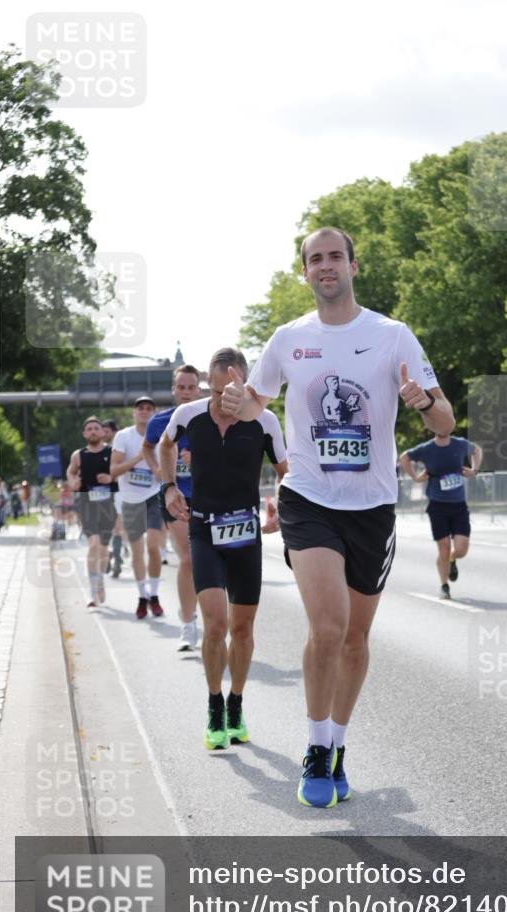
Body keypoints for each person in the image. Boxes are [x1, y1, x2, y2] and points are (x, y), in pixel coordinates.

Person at [220, 227, 455, 807]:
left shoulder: (392, 335)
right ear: (305, 272)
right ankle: (316, 746)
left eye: (335, 257)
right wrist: (237, 404)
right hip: (308, 499)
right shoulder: (288, 338)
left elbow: (445, 422)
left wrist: (425, 402)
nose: (325, 266)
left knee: (354, 638)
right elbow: (255, 402)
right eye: (315, 259)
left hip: (371, 507)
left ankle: (339, 745)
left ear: (353, 265)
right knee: (327, 627)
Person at [159, 348, 287, 750]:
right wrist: (169, 487)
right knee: (215, 625)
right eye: (214, 392)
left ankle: (236, 703)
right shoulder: (188, 415)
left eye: (230, 392)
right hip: (203, 529)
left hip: (246, 534)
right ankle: (214, 705)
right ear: (207, 387)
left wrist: (279, 505)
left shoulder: (265, 421)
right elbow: (165, 446)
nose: (221, 400)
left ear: (246, 388)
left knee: (242, 629)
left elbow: (285, 472)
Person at [142, 364, 203, 651]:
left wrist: (201, 460)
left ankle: (204, 610)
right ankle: (188, 623)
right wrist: (157, 468)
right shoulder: (160, 421)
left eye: (191, 387)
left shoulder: (211, 418)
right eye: (182, 387)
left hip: (208, 496)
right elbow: (147, 447)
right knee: (188, 557)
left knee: (210, 559)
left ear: (199, 390)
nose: (186, 392)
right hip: (173, 495)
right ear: (174, 390)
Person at [399, 432, 482, 599]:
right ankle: (444, 585)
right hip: (437, 505)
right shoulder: (427, 448)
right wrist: (415, 477)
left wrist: (474, 470)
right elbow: (404, 457)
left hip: (459, 505)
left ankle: (453, 558)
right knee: (443, 548)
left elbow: (477, 450)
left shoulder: (459, 443)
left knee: (461, 549)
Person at [110, 397, 164, 619]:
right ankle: (143, 596)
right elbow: (114, 470)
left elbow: (167, 465)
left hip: (153, 496)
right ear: (134, 413)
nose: (144, 411)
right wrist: (140, 457)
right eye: (140, 408)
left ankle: (155, 595)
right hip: (130, 499)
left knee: (153, 546)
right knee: (137, 551)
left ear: (154, 413)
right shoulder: (123, 436)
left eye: (149, 408)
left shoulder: (160, 436)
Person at [66, 417, 117, 607]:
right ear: (84, 434)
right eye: (89, 429)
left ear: (103, 432)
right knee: (93, 544)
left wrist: (111, 477)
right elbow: (71, 472)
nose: (93, 431)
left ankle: (100, 580)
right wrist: (73, 481)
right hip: (86, 504)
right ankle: (92, 591)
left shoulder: (112, 452)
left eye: (96, 428)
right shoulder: (78, 455)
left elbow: (121, 474)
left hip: (108, 505)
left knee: (103, 547)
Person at [101, 419, 126, 576]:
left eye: (107, 431)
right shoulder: (100, 449)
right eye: (102, 431)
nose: (104, 434)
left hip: (119, 492)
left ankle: (116, 559)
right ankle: (110, 553)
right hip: (103, 493)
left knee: (117, 527)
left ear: (115, 431)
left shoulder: (122, 448)